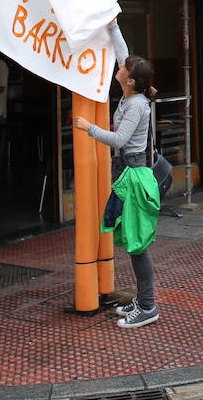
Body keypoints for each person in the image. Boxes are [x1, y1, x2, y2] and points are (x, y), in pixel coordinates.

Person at [74, 55, 161, 329]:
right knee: (133, 241)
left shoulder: (135, 104)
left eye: (123, 68)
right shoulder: (132, 93)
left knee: (137, 245)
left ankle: (148, 307)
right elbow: (123, 52)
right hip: (127, 171)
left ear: (131, 80)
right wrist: (112, 25)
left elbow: (120, 140)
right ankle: (142, 301)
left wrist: (90, 128)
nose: (119, 68)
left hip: (132, 174)